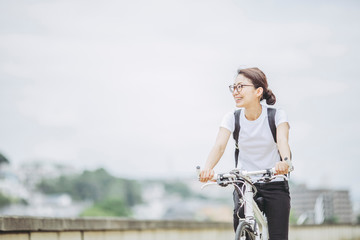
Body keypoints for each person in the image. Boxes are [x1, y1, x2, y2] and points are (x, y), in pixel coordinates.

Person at [199, 67, 292, 240]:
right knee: (243, 229)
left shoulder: (277, 115)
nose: (235, 92)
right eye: (233, 87)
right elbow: (219, 146)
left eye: (240, 86)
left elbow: (282, 141)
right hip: (244, 182)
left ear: (258, 91)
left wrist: (285, 162)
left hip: (275, 182)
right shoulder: (232, 118)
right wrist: (207, 169)